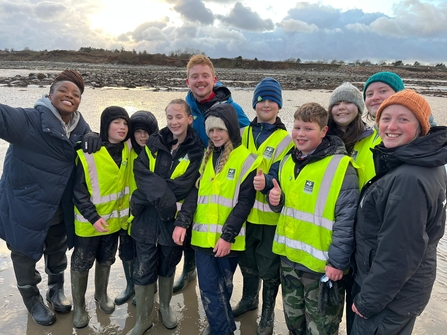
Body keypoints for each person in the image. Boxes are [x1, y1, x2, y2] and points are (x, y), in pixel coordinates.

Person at [0, 70, 98, 326]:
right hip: (25, 208)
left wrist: (93, 138)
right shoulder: (29, 120)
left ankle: (56, 290)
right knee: (24, 254)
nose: (69, 96)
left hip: (58, 208)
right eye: (63, 90)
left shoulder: (80, 128)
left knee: (57, 252)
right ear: (50, 94)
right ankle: (32, 300)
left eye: (76, 94)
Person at [351, 89, 447, 335]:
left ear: (421, 127)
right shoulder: (420, 163)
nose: (391, 126)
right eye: (386, 118)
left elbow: (399, 253)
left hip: (388, 301)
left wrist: (368, 301)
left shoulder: (409, 179)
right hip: (402, 294)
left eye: (403, 119)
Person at [267, 102, 359, 334]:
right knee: (294, 323)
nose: (300, 134)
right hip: (289, 260)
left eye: (308, 129)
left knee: (321, 328)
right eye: (297, 128)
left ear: (324, 131)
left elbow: (347, 220)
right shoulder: (287, 162)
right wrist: (275, 200)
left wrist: (338, 262)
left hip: (322, 268)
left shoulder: (342, 167)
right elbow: (287, 207)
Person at [172, 103, 262, 335]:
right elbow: (195, 193)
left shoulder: (248, 159)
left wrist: (227, 236)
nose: (215, 135)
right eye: (211, 130)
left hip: (228, 241)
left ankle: (220, 328)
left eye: (220, 130)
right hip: (202, 239)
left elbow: (245, 203)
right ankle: (224, 330)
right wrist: (182, 222)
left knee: (221, 288)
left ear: (231, 129)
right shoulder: (206, 156)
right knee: (210, 289)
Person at [175, 53, 251, 293]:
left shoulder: (232, 108)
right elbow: (172, 131)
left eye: (205, 76)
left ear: (214, 79)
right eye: (194, 76)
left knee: (226, 235)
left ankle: (243, 291)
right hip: (194, 174)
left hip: (222, 176)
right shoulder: (185, 107)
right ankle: (189, 273)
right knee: (193, 228)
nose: (200, 80)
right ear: (187, 81)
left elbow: (248, 138)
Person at [127, 99, 204, 335]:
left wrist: (151, 193)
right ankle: (143, 320)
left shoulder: (197, 151)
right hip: (146, 222)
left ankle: (166, 308)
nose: (174, 122)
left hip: (173, 222)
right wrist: (162, 194)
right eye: (169, 117)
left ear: (190, 119)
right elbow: (141, 173)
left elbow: (186, 187)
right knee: (143, 268)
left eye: (179, 116)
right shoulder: (154, 143)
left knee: (168, 265)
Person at [232, 77, 294, 335]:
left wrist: (268, 182)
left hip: (270, 220)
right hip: (244, 217)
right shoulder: (242, 134)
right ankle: (249, 299)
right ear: (254, 104)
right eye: (261, 99)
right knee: (247, 264)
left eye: (271, 100)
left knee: (269, 270)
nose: (266, 104)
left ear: (279, 106)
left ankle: (267, 315)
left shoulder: (286, 139)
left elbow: (286, 175)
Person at [71, 106, 131, 328]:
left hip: (113, 224)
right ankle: (78, 306)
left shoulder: (128, 150)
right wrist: (93, 216)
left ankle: (101, 295)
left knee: (106, 259)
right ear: (105, 125)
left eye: (125, 123)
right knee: (81, 262)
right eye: (116, 122)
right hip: (88, 224)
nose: (122, 127)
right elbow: (78, 192)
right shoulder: (86, 152)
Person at [114, 110, 159, 306]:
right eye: (138, 131)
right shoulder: (125, 149)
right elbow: (108, 139)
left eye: (146, 132)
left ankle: (149, 285)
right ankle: (130, 285)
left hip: (147, 214)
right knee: (126, 251)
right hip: (126, 212)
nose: (142, 136)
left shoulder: (159, 151)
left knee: (147, 253)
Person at [327, 82, 371, 187]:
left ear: (359, 108)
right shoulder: (320, 137)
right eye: (336, 104)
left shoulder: (370, 139)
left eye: (348, 102)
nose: (341, 107)